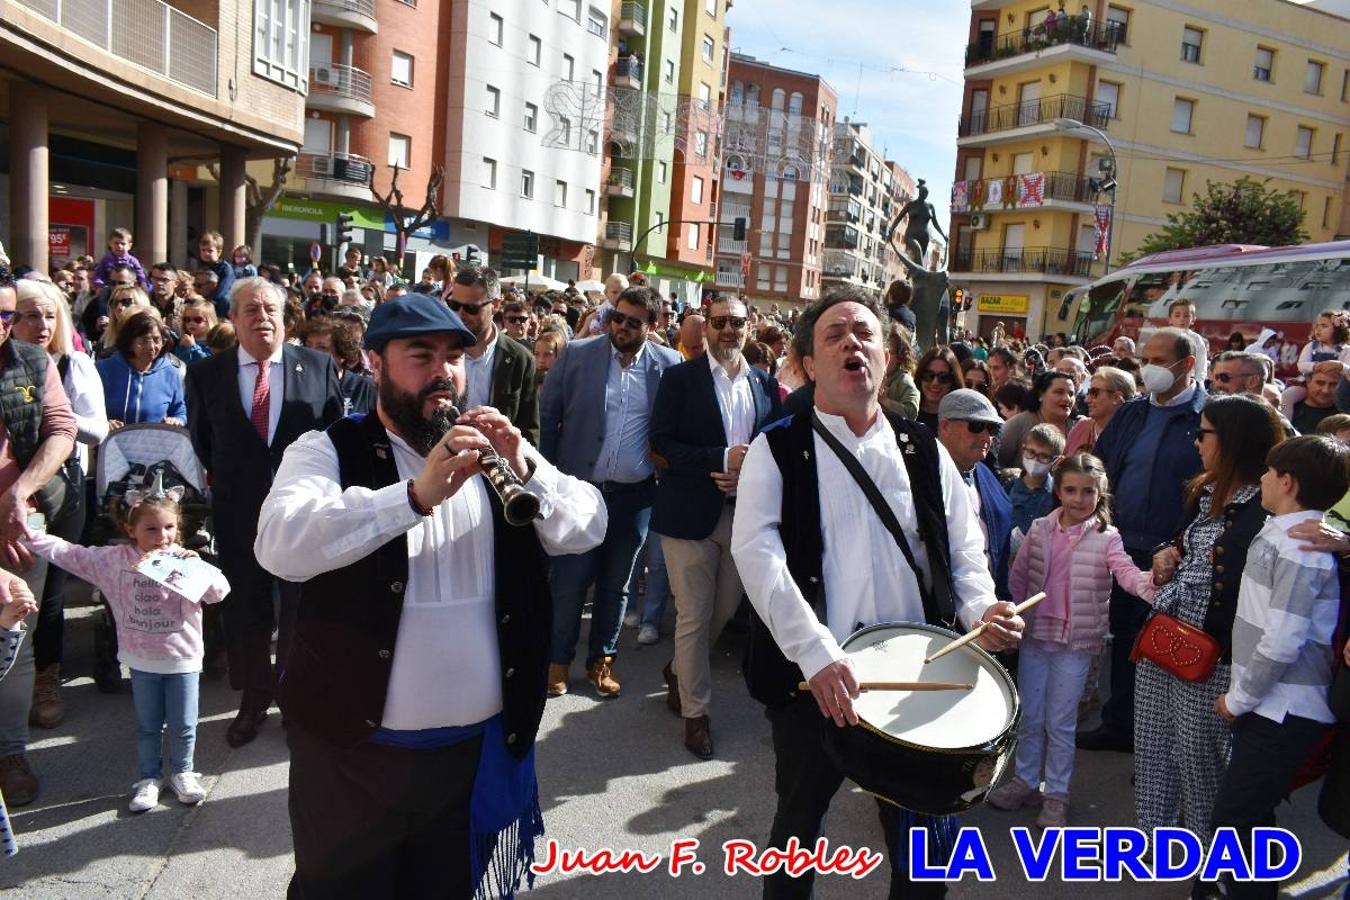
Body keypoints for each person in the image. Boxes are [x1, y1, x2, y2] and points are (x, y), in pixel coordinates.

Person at [253, 293, 606, 899]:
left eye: (455, 356)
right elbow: (280, 544)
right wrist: (412, 497)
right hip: (351, 762)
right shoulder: (325, 449)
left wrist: (526, 465)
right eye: (421, 354)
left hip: (467, 762)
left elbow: (589, 524)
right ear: (374, 362)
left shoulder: (493, 453)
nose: (443, 371)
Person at [731, 289, 1022, 900]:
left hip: (916, 674)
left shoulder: (922, 450)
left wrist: (981, 609)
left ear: (888, 356)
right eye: (833, 334)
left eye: (864, 333)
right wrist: (816, 653)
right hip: (818, 681)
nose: (850, 343)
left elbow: (962, 550)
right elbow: (757, 556)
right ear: (809, 363)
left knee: (924, 857)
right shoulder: (777, 446)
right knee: (797, 833)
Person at [184, 277, 343, 747]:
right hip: (240, 514)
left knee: (301, 609)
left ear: (284, 316)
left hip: (304, 513)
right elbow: (204, 444)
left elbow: (334, 436)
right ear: (232, 319)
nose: (262, 318)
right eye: (250, 310)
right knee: (247, 610)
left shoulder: (316, 367)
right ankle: (254, 700)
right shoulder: (206, 374)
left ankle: (296, 699)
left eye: (270, 308)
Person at [1140, 394, 1283, 899]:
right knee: (1160, 745)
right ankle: (1165, 843)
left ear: (1235, 441)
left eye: (1204, 433)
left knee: (1202, 759)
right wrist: (1167, 551)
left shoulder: (1269, 509)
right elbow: (1184, 542)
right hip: (1170, 643)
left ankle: (1214, 867)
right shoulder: (1208, 493)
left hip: (1214, 656)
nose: (1196, 442)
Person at [23, 473, 229, 811]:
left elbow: (219, 592)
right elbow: (69, 553)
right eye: (151, 529)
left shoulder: (184, 560)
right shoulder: (112, 562)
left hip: (183, 660)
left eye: (168, 528)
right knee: (148, 725)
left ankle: (183, 772)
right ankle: (148, 777)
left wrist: (202, 569)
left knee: (184, 724)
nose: (161, 537)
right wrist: (29, 534)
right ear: (131, 529)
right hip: (142, 660)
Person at [1211, 435, 1348, 900]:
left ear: (1287, 482)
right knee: (1251, 819)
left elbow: (1284, 638)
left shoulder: (1299, 546)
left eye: (1269, 473)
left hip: (1284, 707)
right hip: (1269, 704)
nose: (1262, 479)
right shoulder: (1283, 534)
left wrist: (1238, 699)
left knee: (1235, 818)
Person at [987, 453, 1156, 827]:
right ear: (1058, 491)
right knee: (1030, 716)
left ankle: (1056, 794)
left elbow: (1128, 576)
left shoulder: (1106, 538)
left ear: (1101, 494)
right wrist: (1009, 613)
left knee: (1060, 722)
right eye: (1070, 490)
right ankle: (1026, 781)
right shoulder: (1039, 529)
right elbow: (1018, 576)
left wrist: (1154, 582)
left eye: (1088, 491)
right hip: (1036, 637)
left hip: (1075, 644)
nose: (1079, 499)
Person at [649, 297, 782, 759]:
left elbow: (771, 448)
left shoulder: (764, 384)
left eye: (737, 323)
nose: (728, 330)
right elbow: (660, 444)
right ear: (706, 328)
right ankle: (696, 715)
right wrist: (719, 461)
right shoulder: (679, 379)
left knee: (722, 613)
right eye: (720, 322)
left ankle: (679, 672)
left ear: (750, 329)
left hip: (743, 516)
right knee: (693, 615)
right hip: (688, 515)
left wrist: (748, 473)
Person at [539, 287, 680, 698]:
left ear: (651, 327)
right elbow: (548, 419)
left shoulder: (667, 366)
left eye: (633, 322)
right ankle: (557, 662)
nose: (620, 326)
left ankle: (602, 662)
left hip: (634, 496)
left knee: (616, 584)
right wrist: (546, 484)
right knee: (569, 582)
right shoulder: (578, 355)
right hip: (578, 492)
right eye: (616, 317)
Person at [1079, 327, 1205, 752]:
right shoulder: (1133, 412)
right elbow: (1102, 467)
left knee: (1165, 642)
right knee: (1123, 632)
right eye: (1145, 359)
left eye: (1159, 360)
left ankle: (1161, 736)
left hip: (1175, 552)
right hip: (1122, 546)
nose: (1150, 369)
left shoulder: (1206, 417)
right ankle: (1119, 725)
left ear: (1186, 366)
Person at [10, 280, 105, 728]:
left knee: (44, 598)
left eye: (48, 315)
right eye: (29, 314)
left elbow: (81, 428)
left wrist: (22, 489)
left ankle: (44, 678)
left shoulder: (68, 364)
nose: (40, 324)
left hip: (55, 496)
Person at [0, 271, 77, 806]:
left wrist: (20, 492)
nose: (2, 326)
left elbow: (61, 429)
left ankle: (10, 752)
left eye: (7, 316)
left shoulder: (32, 361)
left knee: (16, 641)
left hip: (22, 525)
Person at [448, 266, 539, 445]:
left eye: (471, 308)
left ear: (496, 305)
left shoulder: (520, 359)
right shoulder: (438, 350)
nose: (460, 314)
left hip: (494, 466)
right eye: (454, 305)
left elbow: (529, 430)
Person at [937, 389, 1013, 601]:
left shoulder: (986, 475)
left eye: (991, 428)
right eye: (976, 426)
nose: (986, 437)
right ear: (945, 426)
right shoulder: (920, 478)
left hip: (987, 600)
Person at [97, 310, 185, 429]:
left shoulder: (170, 372)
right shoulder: (104, 369)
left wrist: (176, 420)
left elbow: (180, 412)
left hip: (155, 444)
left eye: (156, 340)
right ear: (129, 343)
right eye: (143, 341)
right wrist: (103, 423)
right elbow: (88, 410)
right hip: (113, 444)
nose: (151, 347)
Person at [998, 371, 1078, 468]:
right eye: (1059, 392)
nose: (1067, 399)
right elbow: (997, 465)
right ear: (1041, 395)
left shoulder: (1079, 427)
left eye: (1071, 394)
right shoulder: (1017, 425)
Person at [1007, 423, 1064, 541]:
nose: (1034, 460)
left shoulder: (1059, 495)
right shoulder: (1007, 487)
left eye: (1044, 456)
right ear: (1023, 449)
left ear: (1056, 461)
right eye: (1031, 452)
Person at [1064, 366, 1135, 455]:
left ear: (1116, 398)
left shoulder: (1135, 434)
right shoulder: (1082, 426)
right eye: (1088, 393)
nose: (1087, 400)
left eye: (1094, 393)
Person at [913, 345, 964, 431]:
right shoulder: (907, 412)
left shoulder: (960, 419)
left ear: (953, 381)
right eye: (929, 375)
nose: (935, 383)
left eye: (943, 377)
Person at [1290, 360, 1340, 435]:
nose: (1325, 391)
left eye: (1333, 385)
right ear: (1308, 382)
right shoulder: (1289, 407)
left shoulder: (1344, 412)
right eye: (1320, 383)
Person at [880, 324, 919, 419]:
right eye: (880, 351)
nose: (884, 356)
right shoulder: (875, 376)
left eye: (890, 352)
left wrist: (886, 401)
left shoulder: (904, 381)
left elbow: (911, 413)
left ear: (900, 357)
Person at [91, 226, 148, 291]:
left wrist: (143, 283)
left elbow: (140, 273)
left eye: (123, 244)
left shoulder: (132, 261)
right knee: (102, 297)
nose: (119, 246)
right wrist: (99, 285)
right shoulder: (106, 260)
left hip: (128, 288)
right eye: (116, 243)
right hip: (110, 288)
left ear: (129, 246)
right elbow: (99, 274)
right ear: (110, 243)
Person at [1167, 299, 1210, 383]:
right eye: (1177, 315)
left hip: (1189, 383)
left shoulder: (1196, 339)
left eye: (1186, 316)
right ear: (1170, 319)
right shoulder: (1163, 338)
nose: (1182, 319)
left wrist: (1198, 385)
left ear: (1193, 319)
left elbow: (1201, 366)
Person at [195, 231, 236, 318]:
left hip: (218, 301)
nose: (206, 253)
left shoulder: (225, 268)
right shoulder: (201, 267)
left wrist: (210, 301)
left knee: (224, 300)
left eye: (210, 251)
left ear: (219, 252)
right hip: (203, 297)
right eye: (203, 250)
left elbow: (223, 289)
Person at [174, 297, 216, 365]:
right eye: (187, 319)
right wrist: (181, 347)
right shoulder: (185, 339)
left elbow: (207, 363)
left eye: (197, 320)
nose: (191, 323)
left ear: (209, 321)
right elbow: (178, 363)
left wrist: (193, 347)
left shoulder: (213, 342)